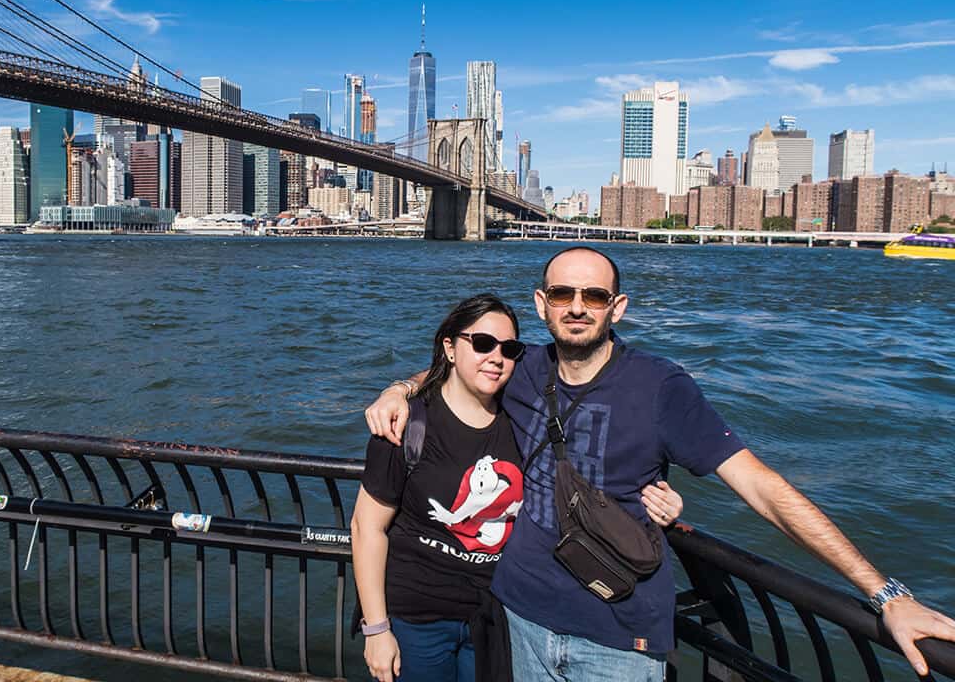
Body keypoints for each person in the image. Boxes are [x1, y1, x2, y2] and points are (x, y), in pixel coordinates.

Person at [365, 246, 955, 681]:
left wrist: (886, 594)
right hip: (519, 618)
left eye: (593, 296)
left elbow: (761, 487)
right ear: (543, 304)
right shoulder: (523, 367)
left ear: (615, 307)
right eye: (563, 295)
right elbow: (464, 365)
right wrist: (401, 387)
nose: (577, 308)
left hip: (618, 639)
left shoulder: (661, 387)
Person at [351, 293, 683, 682]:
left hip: (497, 617)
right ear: (450, 348)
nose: (496, 357)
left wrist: (655, 499)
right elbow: (366, 528)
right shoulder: (408, 425)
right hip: (416, 618)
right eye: (482, 343)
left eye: (509, 349)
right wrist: (377, 629)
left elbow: (589, 470)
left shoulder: (523, 419)